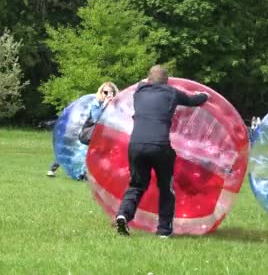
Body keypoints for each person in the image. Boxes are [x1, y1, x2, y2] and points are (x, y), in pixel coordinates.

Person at [115, 65, 209, 238]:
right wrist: (207, 95)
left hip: (136, 145)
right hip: (159, 146)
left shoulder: (139, 92)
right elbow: (194, 100)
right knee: (166, 188)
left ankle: (123, 214)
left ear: (148, 80)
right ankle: (164, 230)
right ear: (167, 81)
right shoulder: (172, 93)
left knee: (137, 184)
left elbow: (142, 83)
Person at [47, 82, 120, 179]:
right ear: (101, 92)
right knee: (71, 149)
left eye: (111, 93)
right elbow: (95, 118)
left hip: (101, 134)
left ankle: (87, 174)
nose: (108, 95)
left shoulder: (114, 106)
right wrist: (104, 105)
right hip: (88, 132)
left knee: (98, 153)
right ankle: (53, 168)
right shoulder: (96, 103)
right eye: (106, 92)